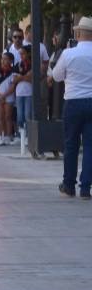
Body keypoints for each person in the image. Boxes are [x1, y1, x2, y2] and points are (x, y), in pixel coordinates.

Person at [49, 17, 92, 199]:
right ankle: (85, 187)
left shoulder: (69, 54)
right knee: (90, 146)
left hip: (73, 101)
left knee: (71, 144)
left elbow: (57, 76)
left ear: (79, 33)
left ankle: (69, 184)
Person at [0, 51, 17, 145]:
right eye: (2, 59)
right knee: (0, 117)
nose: (3, 61)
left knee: (8, 117)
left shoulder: (13, 72)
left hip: (9, 97)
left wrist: (4, 95)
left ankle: (8, 136)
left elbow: (12, 86)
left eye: (5, 59)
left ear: (11, 61)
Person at [10, 49, 33, 138]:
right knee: (20, 115)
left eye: (23, 53)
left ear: (27, 54)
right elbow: (14, 80)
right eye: (20, 54)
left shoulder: (32, 65)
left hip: (29, 93)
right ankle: (20, 135)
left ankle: (28, 135)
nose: (21, 56)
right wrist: (26, 77)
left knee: (27, 114)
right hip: (19, 93)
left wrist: (20, 77)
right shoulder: (17, 65)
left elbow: (32, 80)